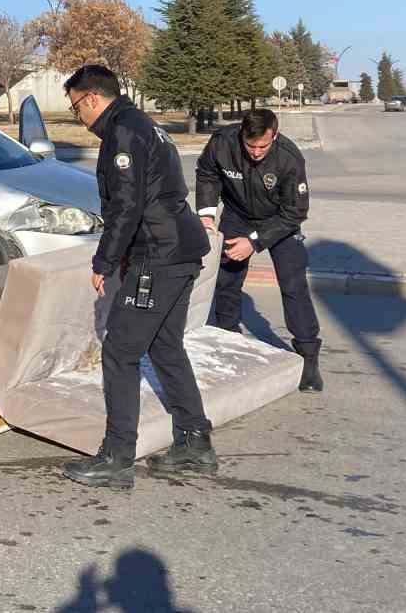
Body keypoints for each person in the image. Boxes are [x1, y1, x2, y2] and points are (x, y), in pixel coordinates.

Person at [59, 65, 216, 490]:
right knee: (166, 348)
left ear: (92, 98)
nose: (78, 118)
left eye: (76, 109)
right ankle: (195, 443)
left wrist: (104, 261)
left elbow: (127, 206)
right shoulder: (144, 123)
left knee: (120, 352)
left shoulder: (123, 133)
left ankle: (117, 455)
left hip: (157, 255)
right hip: (180, 249)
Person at [196, 108, 323, 392]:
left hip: (280, 220)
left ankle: (308, 358)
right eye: (250, 145)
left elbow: (295, 211)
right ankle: (228, 338)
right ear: (242, 134)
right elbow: (207, 173)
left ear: (274, 136)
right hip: (237, 214)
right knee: (227, 280)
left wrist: (253, 242)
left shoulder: (289, 158)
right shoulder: (223, 142)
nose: (255, 152)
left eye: (262, 146)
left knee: (293, 285)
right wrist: (206, 214)